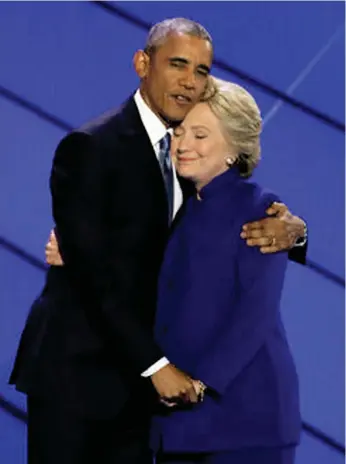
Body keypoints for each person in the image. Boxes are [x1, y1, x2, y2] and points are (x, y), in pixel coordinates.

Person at [10, 18, 306, 464]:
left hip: (151, 397)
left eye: (202, 71)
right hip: (81, 378)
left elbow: (237, 220)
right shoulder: (91, 147)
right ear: (142, 63)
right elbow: (96, 274)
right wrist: (156, 367)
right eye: (178, 64)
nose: (190, 81)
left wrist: (297, 233)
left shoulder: (194, 160)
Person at [151, 77, 300, 464]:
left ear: (234, 149)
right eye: (180, 131)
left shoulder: (261, 210)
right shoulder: (177, 204)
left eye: (200, 135)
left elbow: (256, 313)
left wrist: (200, 385)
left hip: (245, 420)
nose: (183, 145)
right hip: (176, 422)